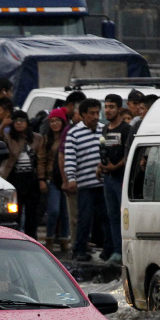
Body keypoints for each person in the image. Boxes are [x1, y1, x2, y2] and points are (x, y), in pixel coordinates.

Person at [65, 98, 113, 261]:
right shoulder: (74, 133)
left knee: (106, 217)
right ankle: (79, 249)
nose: (95, 116)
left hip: (103, 183)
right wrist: (71, 179)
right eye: (91, 113)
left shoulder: (104, 130)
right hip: (85, 184)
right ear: (83, 114)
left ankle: (109, 249)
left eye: (97, 113)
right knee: (84, 218)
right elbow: (70, 158)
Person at [0, 110, 45, 239]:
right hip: (14, 179)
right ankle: (15, 239)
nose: (18, 124)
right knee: (14, 214)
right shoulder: (9, 137)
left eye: (21, 121)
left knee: (32, 214)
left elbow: (41, 161)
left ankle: (32, 239)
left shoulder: (37, 138)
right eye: (16, 121)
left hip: (31, 180)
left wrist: (41, 179)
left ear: (27, 123)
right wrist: (2, 126)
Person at [98, 94, 131, 265]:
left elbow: (129, 156)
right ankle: (116, 250)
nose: (108, 110)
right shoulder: (105, 129)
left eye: (111, 107)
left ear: (119, 109)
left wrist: (115, 167)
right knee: (111, 215)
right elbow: (103, 151)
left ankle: (125, 251)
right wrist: (100, 167)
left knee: (123, 215)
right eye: (106, 106)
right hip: (108, 179)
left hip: (120, 178)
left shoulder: (126, 129)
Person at [56, 91, 86, 248]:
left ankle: (85, 242)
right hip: (74, 181)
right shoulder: (69, 131)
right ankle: (76, 244)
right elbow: (62, 157)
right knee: (74, 216)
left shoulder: (97, 129)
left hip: (90, 182)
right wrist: (66, 180)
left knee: (87, 215)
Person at [42, 107, 70, 253]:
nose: (54, 124)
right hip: (51, 179)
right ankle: (49, 239)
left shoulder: (67, 137)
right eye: (52, 121)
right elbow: (42, 159)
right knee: (53, 210)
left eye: (57, 120)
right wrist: (42, 178)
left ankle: (65, 240)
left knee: (65, 212)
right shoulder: (46, 139)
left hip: (66, 178)